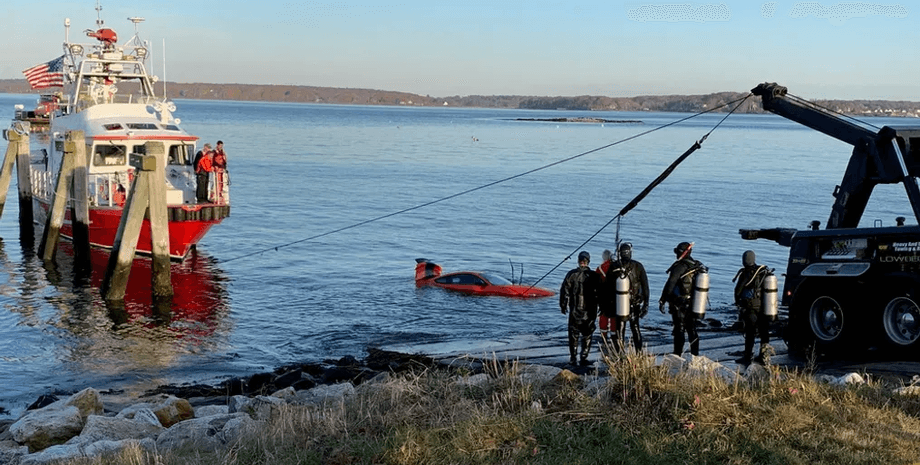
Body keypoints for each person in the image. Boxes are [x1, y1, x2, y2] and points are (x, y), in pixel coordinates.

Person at [659, 242, 706, 356]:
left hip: (679, 303)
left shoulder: (679, 266)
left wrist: (663, 299)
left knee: (679, 329)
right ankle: (695, 354)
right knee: (691, 328)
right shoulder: (696, 265)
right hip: (694, 302)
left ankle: (677, 354)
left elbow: (671, 283)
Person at [607, 242, 650, 354]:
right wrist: (646, 304)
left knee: (620, 329)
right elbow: (645, 287)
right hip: (634, 303)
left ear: (620, 253)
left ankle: (620, 354)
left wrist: (607, 305)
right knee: (635, 327)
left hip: (619, 303)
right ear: (630, 253)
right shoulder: (638, 266)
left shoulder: (614, 266)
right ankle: (639, 353)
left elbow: (607, 287)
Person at [560, 251, 601, 366]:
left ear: (578, 261)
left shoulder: (571, 274)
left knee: (573, 334)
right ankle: (584, 357)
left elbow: (564, 291)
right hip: (590, 310)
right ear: (588, 261)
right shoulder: (594, 276)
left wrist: (563, 305)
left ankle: (573, 358)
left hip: (575, 309)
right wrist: (602, 307)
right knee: (587, 334)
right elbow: (600, 293)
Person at [733, 250, 772, 365]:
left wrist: (738, 303)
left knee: (750, 332)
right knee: (764, 331)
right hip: (764, 306)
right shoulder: (763, 272)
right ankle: (764, 356)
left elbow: (738, 291)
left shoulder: (746, 273)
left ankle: (747, 356)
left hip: (751, 307)